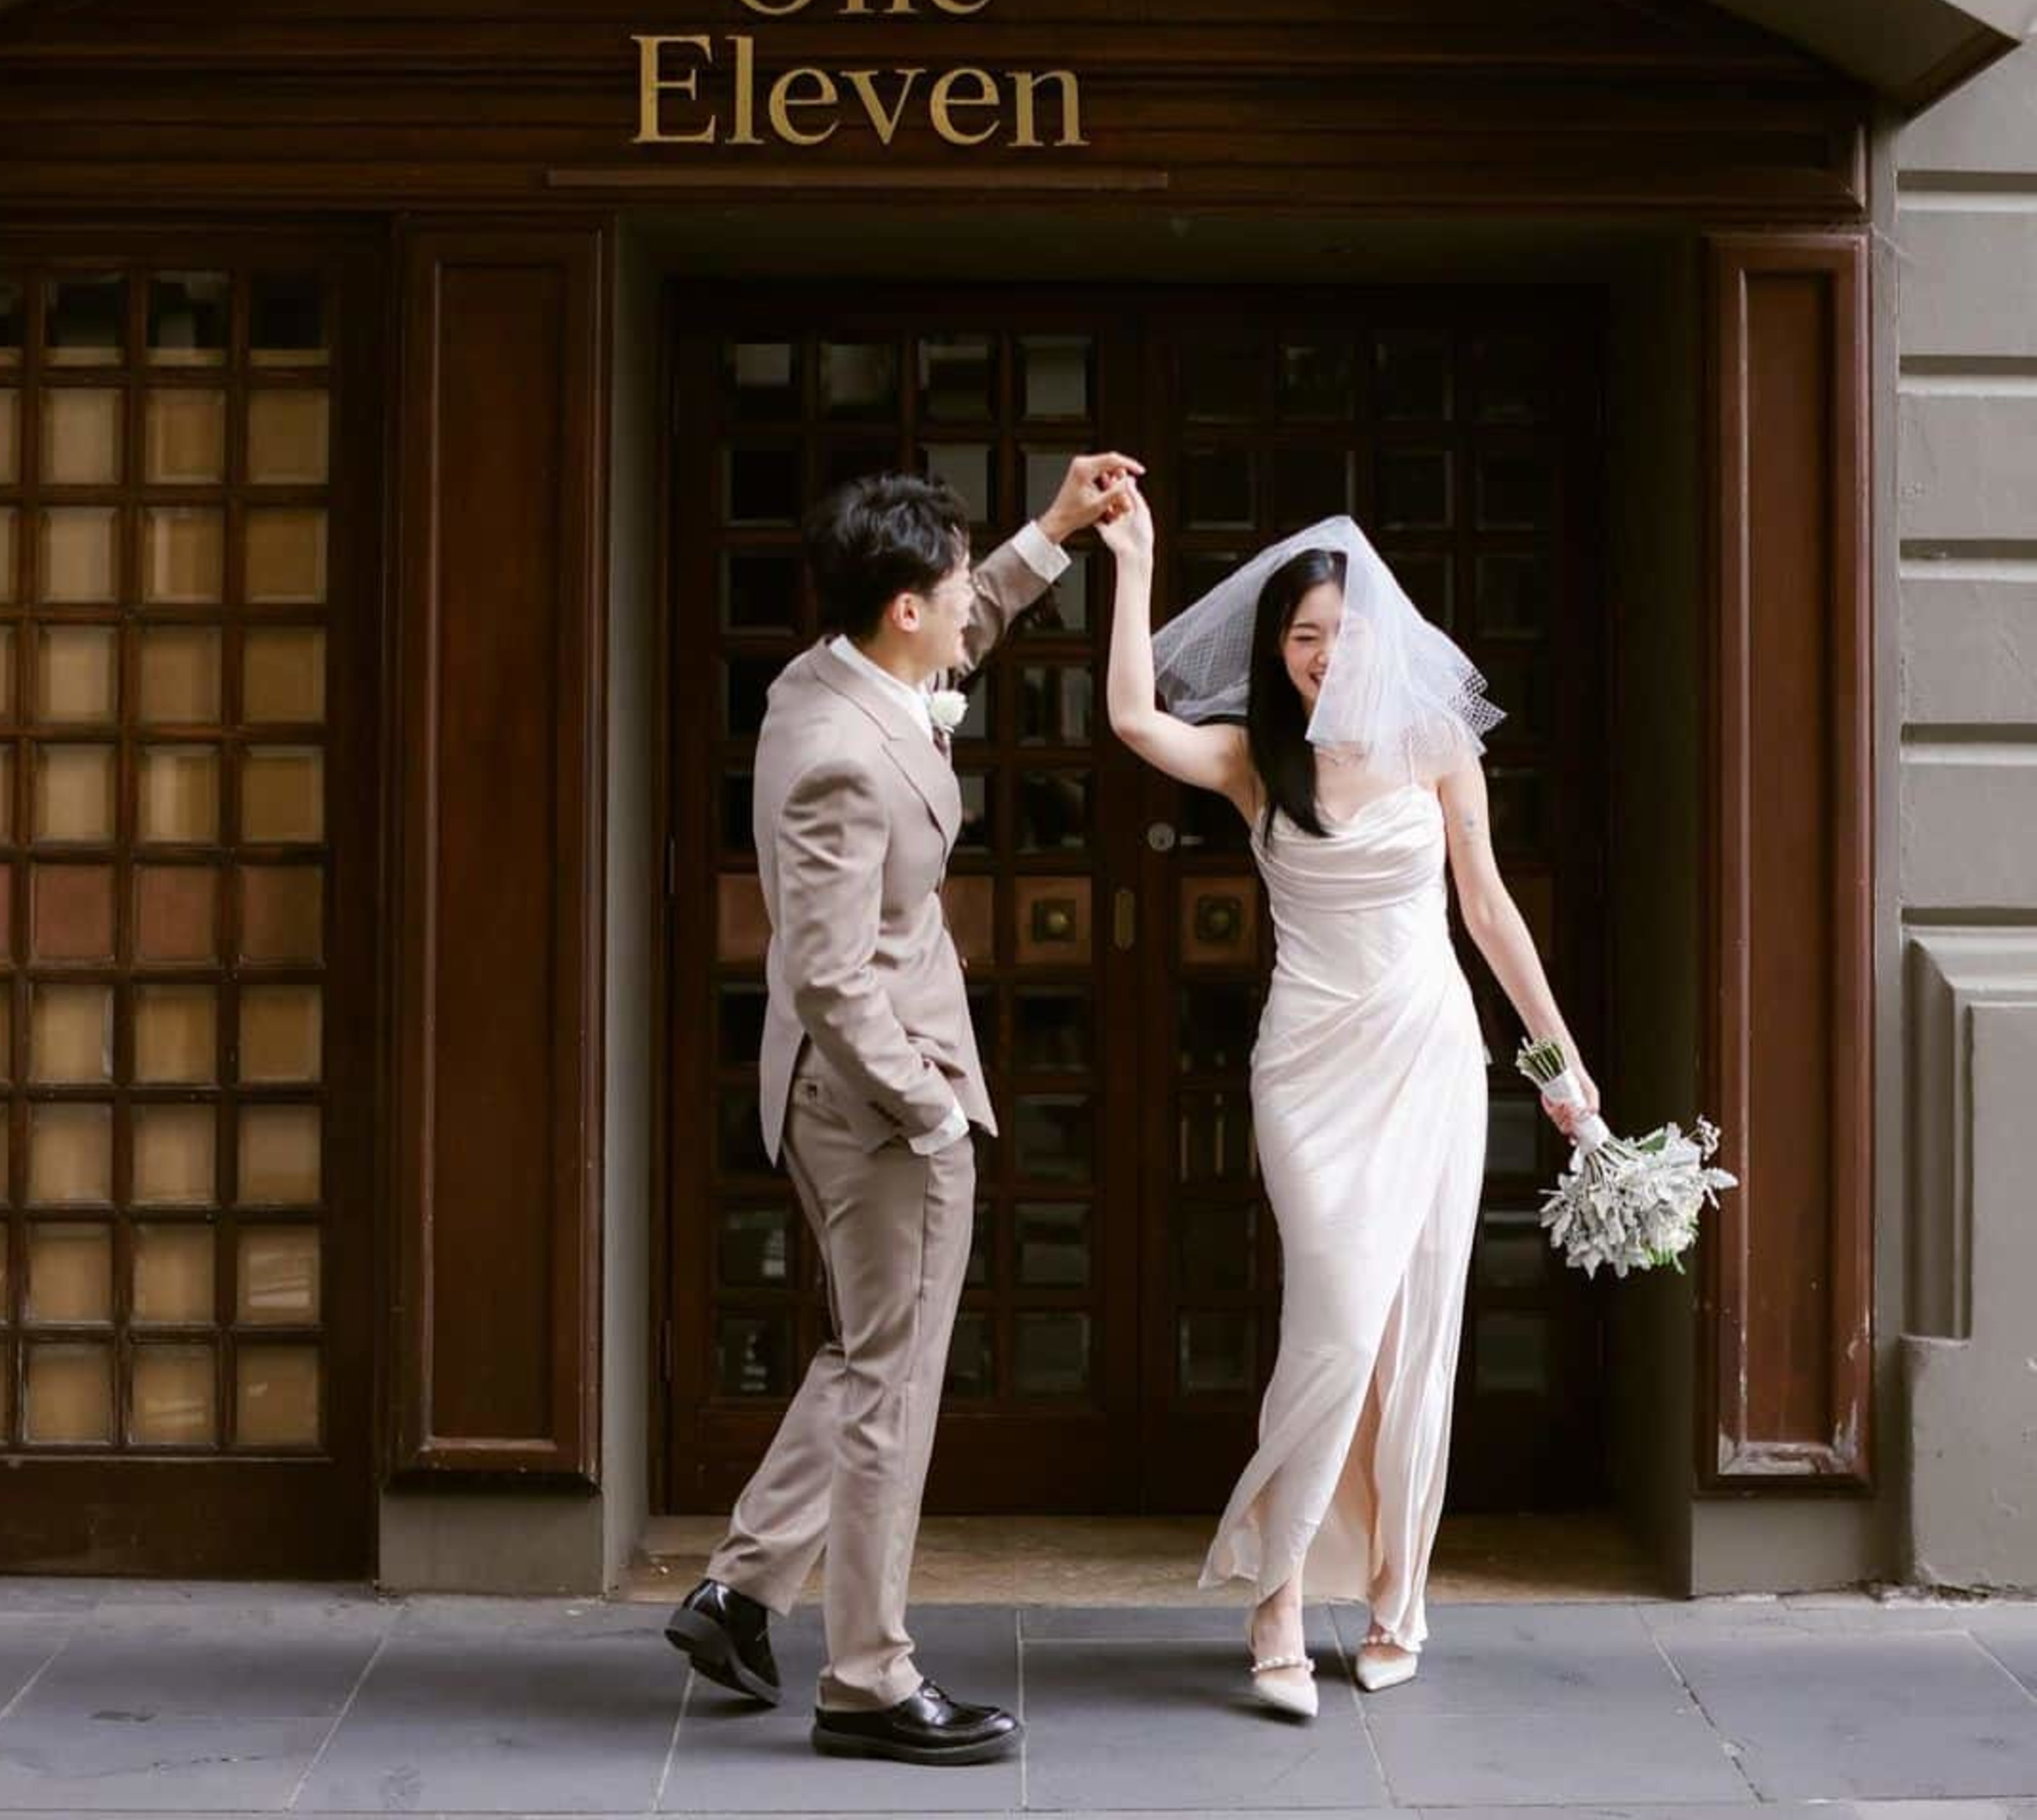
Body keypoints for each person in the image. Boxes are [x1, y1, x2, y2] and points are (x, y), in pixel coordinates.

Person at [671, 454, 1139, 1765]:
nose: (966, 605)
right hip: (879, 1102)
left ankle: (740, 1591)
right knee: (895, 1384)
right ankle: (868, 1679)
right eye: (953, 584)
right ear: (903, 611)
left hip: (835, 1087)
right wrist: (929, 1113)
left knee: (869, 1352)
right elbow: (830, 977)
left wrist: (1056, 530)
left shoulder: (826, 676)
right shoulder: (842, 756)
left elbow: (967, 626)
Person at [1097, 496, 1597, 1713]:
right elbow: (1129, 718)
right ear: (1277, 649)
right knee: (1331, 1322)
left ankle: (1392, 1595)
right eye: (1302, 635)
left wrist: (1560, 1065)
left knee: (1415, 1331)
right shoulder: (1251, 760)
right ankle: (1275, 1596)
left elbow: (1487, 910)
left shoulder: (1437, 743)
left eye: (1340, 631)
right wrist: (1136, 561)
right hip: (1308, 1067)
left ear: (1380, 636)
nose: (1323, 654)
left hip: (1428, 1057)